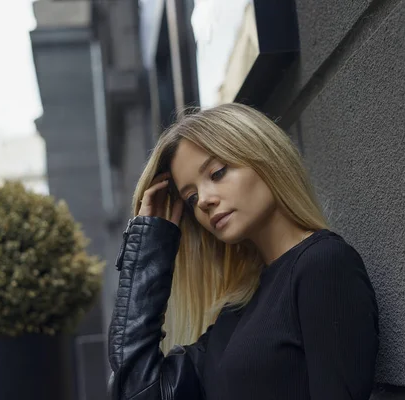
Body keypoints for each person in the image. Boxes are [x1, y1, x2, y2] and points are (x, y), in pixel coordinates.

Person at [107, 103, 379, 400]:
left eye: (218, 172)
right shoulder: (237, 309)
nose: (203, 202)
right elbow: (138, 391)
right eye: (191, 197)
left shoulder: (323, 266)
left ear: (264, 156)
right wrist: (149, 244)